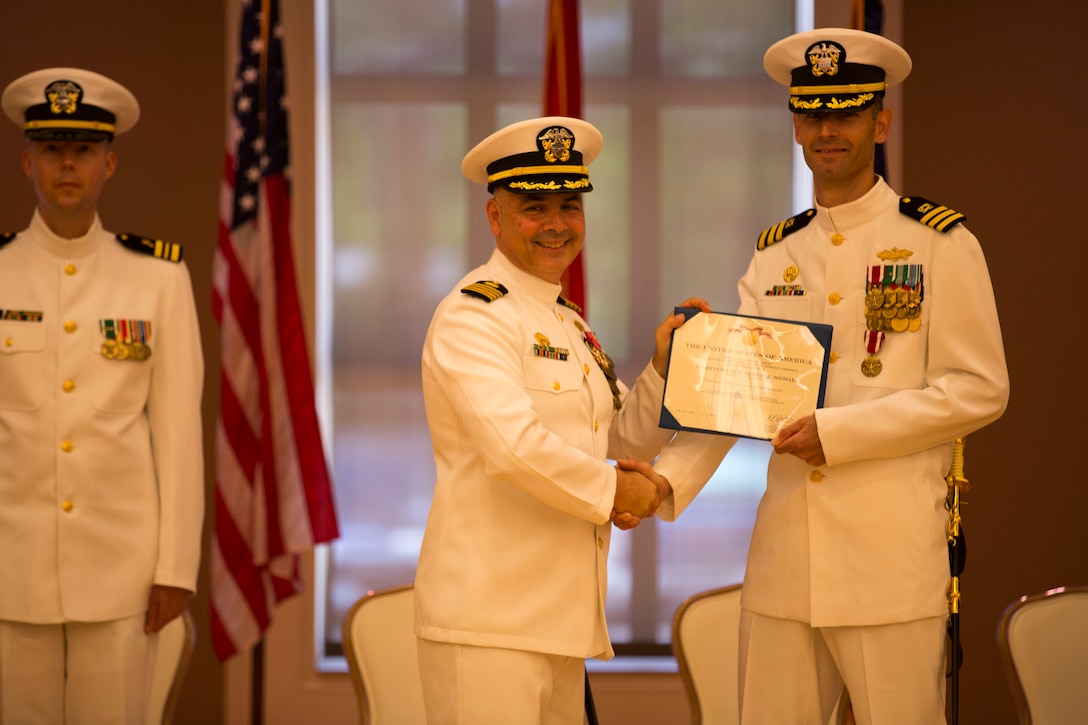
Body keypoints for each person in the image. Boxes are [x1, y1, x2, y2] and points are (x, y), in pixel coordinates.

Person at [652, 29, 1010, 725]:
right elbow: (740, 395)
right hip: (786, 563)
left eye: (845, 112)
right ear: (794, 124)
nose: (827, 130)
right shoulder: (776, 253)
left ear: (880, 121)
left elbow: (979, 388)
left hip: (889, 566)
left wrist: (839, 431)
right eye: (812, 114)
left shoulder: (940, 243)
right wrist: (664, 481)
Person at [414, 116, 704, 724]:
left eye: (570, 207)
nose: (556, 225)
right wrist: (619, 491)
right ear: (494, 218)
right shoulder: (476, 315)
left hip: (561, 620)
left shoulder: (566, 320)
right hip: (489, 623)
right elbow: (513, 448)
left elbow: (617, 437)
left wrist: (662, 368)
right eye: (533, 207)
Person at [0, 68, 204, 722]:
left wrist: (176, 565)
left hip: (121, 572)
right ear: (27, 159)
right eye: (54, 149)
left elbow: (177, 434)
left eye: (84, 150)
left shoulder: (158, 278)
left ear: (109, 163)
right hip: (9, 568)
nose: (68, 164)